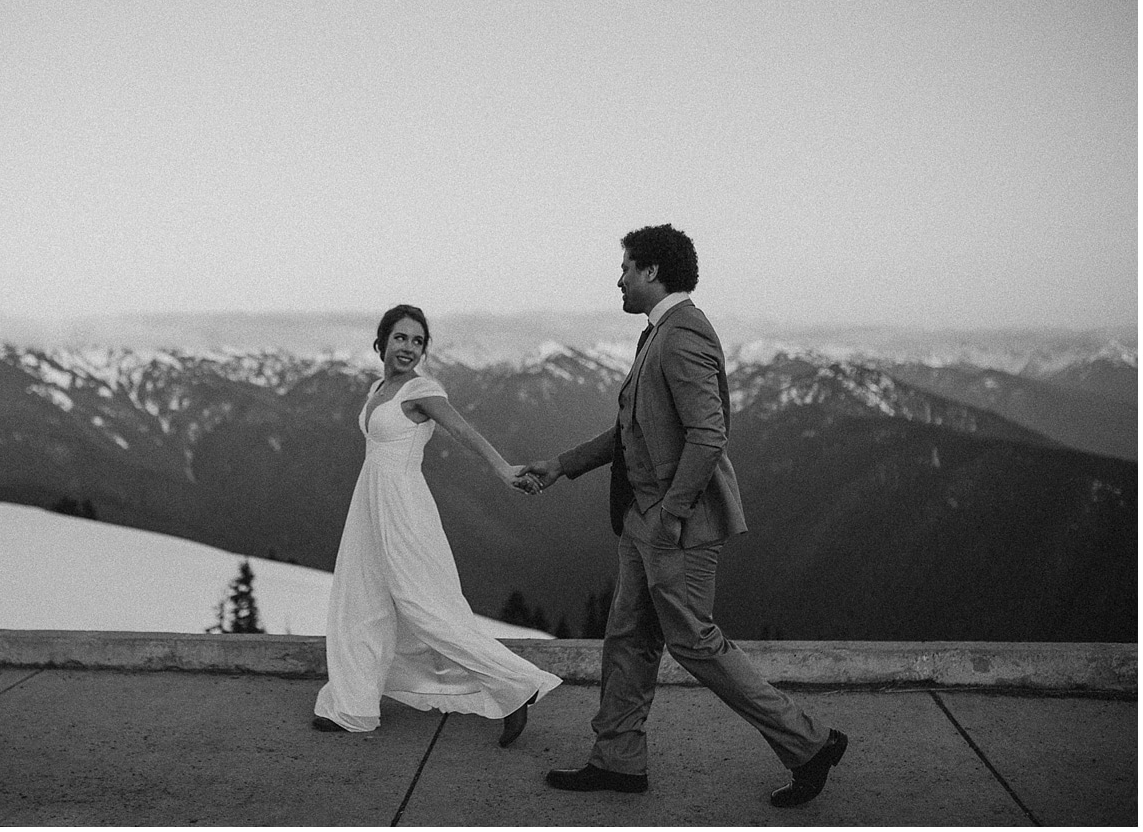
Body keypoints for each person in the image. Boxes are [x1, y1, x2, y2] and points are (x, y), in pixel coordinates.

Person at [521, 224, 847, 807]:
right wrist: (561, 465)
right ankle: (618, 761)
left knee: (695, 643)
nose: (618, 278)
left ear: (651, 271)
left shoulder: (684, 334)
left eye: (625, 267)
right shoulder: (658, 334)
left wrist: (671, 514)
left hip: (675, 523)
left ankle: (808, 743)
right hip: (644, 519)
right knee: (628, 638)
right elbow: (632, 431)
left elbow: (708, 433)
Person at [312, 305, 564, 743]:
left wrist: (505, 470)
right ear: (382, 341)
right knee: (361, 603)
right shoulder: (378, 388)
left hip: (405, 510)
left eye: (418, 341)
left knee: (428, 610)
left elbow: (464, 431)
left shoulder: (420, 390)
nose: (409, 347)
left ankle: (518, 685)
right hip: (370, 507)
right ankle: (353, 707)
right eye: (401, 338)